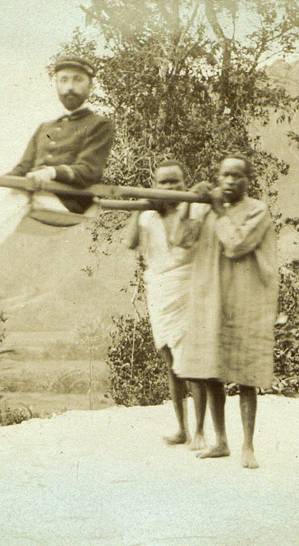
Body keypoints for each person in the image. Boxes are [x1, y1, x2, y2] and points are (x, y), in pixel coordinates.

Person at [0, 55, 114, 271]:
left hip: (69, 203)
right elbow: (21, 169)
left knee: (16, 195)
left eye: (77, 80)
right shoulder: (45, 127)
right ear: (56, 84)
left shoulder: (99, 125)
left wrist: (52, 173)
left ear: (90, 87)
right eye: (63, 80)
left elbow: (89, 171)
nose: (69, 87)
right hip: (37, 194)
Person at [172, 154, 277, 469]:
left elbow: (236, 244)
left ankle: (248, 446)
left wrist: (217, 210)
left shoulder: (257, 210)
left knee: (246, 376)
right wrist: (191, 204)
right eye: (224, 175)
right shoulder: (206, 210)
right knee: (210, 372)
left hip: (245, 300)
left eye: (237, 176)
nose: (230, 181)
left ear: (248, 180)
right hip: (211, 298)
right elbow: (179, 239)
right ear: (217, 178)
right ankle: (221, 441)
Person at [125, 160, 207, 449]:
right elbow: (130, 242)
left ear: (185, 183)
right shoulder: (147, 214)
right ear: (155, 184)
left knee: (191, 363)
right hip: (159, 289)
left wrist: (191, 199)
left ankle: (199, 431)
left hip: (188, 286)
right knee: (171, 364)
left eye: (176, 182)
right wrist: (139, 206)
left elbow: (186, 242)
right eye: (164, 183)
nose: (170, 188)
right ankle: (181, 429)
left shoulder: (196, 208)